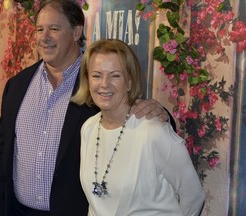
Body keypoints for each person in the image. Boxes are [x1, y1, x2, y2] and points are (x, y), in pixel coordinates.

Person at [0, 1, 175, 215]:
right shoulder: (17, 85)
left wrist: (161, 115)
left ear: (77, 32)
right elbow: (1, 158)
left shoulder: (98, 84)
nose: (44, 37)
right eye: (40, 29)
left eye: (54, 29)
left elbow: (136, 116)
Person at [71, 39, 205, 216]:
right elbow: (96, 206)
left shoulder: (153, 132)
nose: (104, 84)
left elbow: (193, 196)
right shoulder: (88, 129)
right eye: (96, 75)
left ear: (129, 82)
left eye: (115, 75)